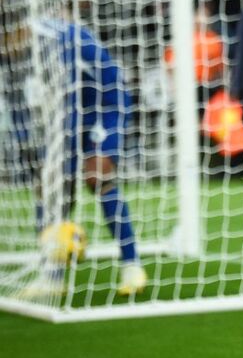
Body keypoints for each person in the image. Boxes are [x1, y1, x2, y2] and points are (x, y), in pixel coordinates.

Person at [13, 18, 147, 298]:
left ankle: (132, 265)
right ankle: (52, 275)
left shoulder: (55, 41)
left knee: (97, 177)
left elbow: (72, 103)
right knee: (49, 189)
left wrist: (63, 162)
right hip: (71, 110)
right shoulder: (22, 48)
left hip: (106, 104)